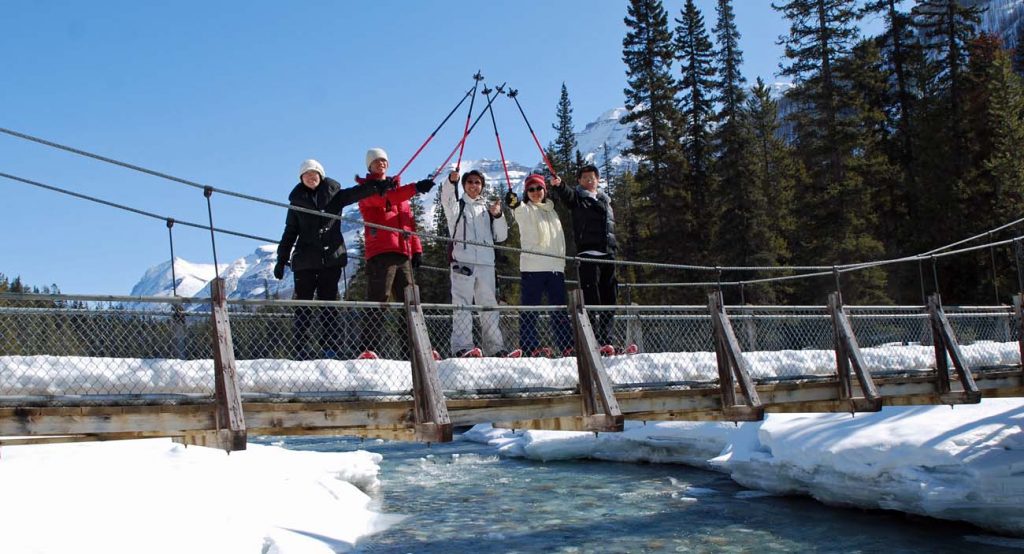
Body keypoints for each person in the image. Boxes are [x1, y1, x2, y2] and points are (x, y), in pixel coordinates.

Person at [274, 158, 382, 360]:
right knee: (303, 306)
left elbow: (355, 194)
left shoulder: (334, 195)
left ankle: (331, 347)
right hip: (305, 262)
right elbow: (290, 232)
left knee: (329, 304)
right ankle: (301, 348)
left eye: (314, 174)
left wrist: (377, 186)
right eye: (306, 175)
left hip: (329, 261)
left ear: (321, 176)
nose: (311, 178)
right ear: (301, 179)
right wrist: (281, 259)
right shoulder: (296, 203)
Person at [356, 147, 436, 359]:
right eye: (375, 161)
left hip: (403, 253)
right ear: (369, 166)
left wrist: (416, 248)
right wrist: (416, 188)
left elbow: (409, 222)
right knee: (379, 299)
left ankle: (413, 351)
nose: (380, 163)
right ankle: (368, 349)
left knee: (410, 302)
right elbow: (385, 199)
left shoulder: (397, 190)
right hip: (381, 252)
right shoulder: (367, 190)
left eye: (383, 160)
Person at [548, 164, 637, 355]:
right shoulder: (578, 199)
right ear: (579, 181)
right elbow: (567, 196)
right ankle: (593, 339)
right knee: (590, 298)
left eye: (592, 178)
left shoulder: (605, 200)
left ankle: (607, 341)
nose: (589, 181)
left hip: (607, 255)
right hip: (587, 254)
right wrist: (559, 185)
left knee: (609, 297)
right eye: (585, 178)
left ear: (598, 180)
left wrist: (613, 249)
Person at [441, 169, 520, 358]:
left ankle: (495, 349)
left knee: (489, 306)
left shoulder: (488, 208)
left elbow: (501, 236)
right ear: (464, 185)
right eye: (469, 182)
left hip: (486, 264)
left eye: (477, 182)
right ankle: (462, 348)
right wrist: (450, 182)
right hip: (463, 262)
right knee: (462, 306)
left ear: (482, 186)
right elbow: (446, 199)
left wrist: (499, 216)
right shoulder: (457, 208)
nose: (474, 185)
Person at [503, 174, 572, 357]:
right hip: (533, 267)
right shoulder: (525, 209)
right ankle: (529, 346)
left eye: (538, 188)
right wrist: (513, 203)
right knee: (530, 310)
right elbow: (516, 209)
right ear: (526, 192)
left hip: (555, 267)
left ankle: (566, 346)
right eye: (531, 189)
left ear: (544, 190)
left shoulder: (552, 210)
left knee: (559, 310)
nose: (535, 192)